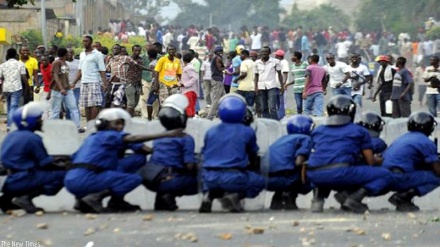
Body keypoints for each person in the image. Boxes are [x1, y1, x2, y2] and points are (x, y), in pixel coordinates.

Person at [64, 108, 183, 213]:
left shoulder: (92, 138)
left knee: (138, 158)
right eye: (117, 123)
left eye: (122, 124)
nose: (120, 127)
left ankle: (84, 201)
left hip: (71, 180)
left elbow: (143, 149)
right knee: (135, 179)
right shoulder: (110, 135)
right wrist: (166, 135)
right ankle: (94, 198)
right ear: (105, 124)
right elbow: (134, 139)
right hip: (86, 179)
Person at [306, 95, 392, 214]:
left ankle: (317, 200)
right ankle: (353, 200)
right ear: (351, 113)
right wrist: (379, 160)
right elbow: (370, 161)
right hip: (341, 173)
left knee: (324, 165)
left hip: (313, 174)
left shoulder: (318, 130)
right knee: (385, 174)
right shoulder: (359, 131)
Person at [199, 94, 265, 213]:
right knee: (259, 181)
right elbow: (253, 155)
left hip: (209, 178)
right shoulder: (247, 131)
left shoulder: (211, 131)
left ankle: (209, 195)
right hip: (234, 177)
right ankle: (235, 195)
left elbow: (203, 154)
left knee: (211, 181)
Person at [0, 102, 67, 213]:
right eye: (38, 119)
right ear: (30, 122)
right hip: (17, 179)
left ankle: (6, 200)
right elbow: (45, 163)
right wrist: (65, 165)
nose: (41, 121)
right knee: (61, 175)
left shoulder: (11, 135)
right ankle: (25, 198)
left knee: (33, 172)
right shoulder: (32, 138)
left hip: (5, 179)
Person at [140, 94, 198, 211]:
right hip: (170, 180)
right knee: (204, 177)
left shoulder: (160, 136)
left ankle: (161, 197)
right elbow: (189, 165)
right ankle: (169, 194)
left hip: (151, 180)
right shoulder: (186, 138)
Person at [382, 112, 440, 212]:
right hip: (397, 177)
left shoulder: (403, 138)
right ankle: (403, 197)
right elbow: (437, 170)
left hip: (382, 175)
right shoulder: (426, 142)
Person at [267, 115, 314, 210]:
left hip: (266, 180)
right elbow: (299, 161)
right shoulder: (305, 139)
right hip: (286, 179)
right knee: (309, 169)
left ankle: (277, 198)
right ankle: (290, 194)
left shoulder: (282, 139)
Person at [71, 35, 107, 122]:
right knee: (86, 104)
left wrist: (105, 83)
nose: (84, 43)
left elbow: (102, 70)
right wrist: (74, 82)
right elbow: (80, 70)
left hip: (94, 81)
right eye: (83, 41)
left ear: (91, 42)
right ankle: (88, 123)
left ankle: (93, 124)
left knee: (94, 104)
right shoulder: (82, 54)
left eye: (86, 41)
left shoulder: (98, 54)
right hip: (84, 82)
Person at [49, 48, 82, 132]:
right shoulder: (56, 62)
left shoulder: (64, 63)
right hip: (58, 90)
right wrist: (61, 88)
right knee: (55, 110)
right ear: (65, 54)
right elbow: (55, 76)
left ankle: (77, 127)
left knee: (73, 108)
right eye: (67, 53)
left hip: (68, 89)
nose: (68, 55)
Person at [0, 48, 28, 130]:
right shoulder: (20, 64)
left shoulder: (2, 65)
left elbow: (0, 78)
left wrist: (1, 91)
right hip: (16, 88)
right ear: (16, 55)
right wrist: (27, 88)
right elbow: (24, 77)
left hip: (6, 88)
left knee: (9, 107)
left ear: (7, 55)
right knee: (13, 107)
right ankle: (11, 126)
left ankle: (9, 125)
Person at [254, 46, 284, 120]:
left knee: (272, 107)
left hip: (272, 86)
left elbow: (280, 74)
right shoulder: (257, 63)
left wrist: (282, 86)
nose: (264, 53)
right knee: (264, 107)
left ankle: (275, 123)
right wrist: (256, 87)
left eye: (266, 51)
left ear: (269, 53)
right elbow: (256, 76)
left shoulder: (275, 61)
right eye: (262, 52)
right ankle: (266, 123)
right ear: (260, 53)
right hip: (261, 87)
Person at [206, 46, 226, 120]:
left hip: (218, 80)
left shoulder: (216, 58)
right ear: (217, 52)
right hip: (217, 80)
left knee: (224, 97)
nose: (221, 53)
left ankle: (221, 114)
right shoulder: (217, 58)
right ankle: (210, 117)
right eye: (220, 51)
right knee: (216, 100)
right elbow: (220, 68)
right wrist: (227, 66)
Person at [179, 53, 199, 118]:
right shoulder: (186, 67)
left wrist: (185, 84)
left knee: (188, 109)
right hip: (187, 91)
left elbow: (194, 78)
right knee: (188, 108)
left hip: (189, 91)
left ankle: (189, 125)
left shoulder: (189, 67)